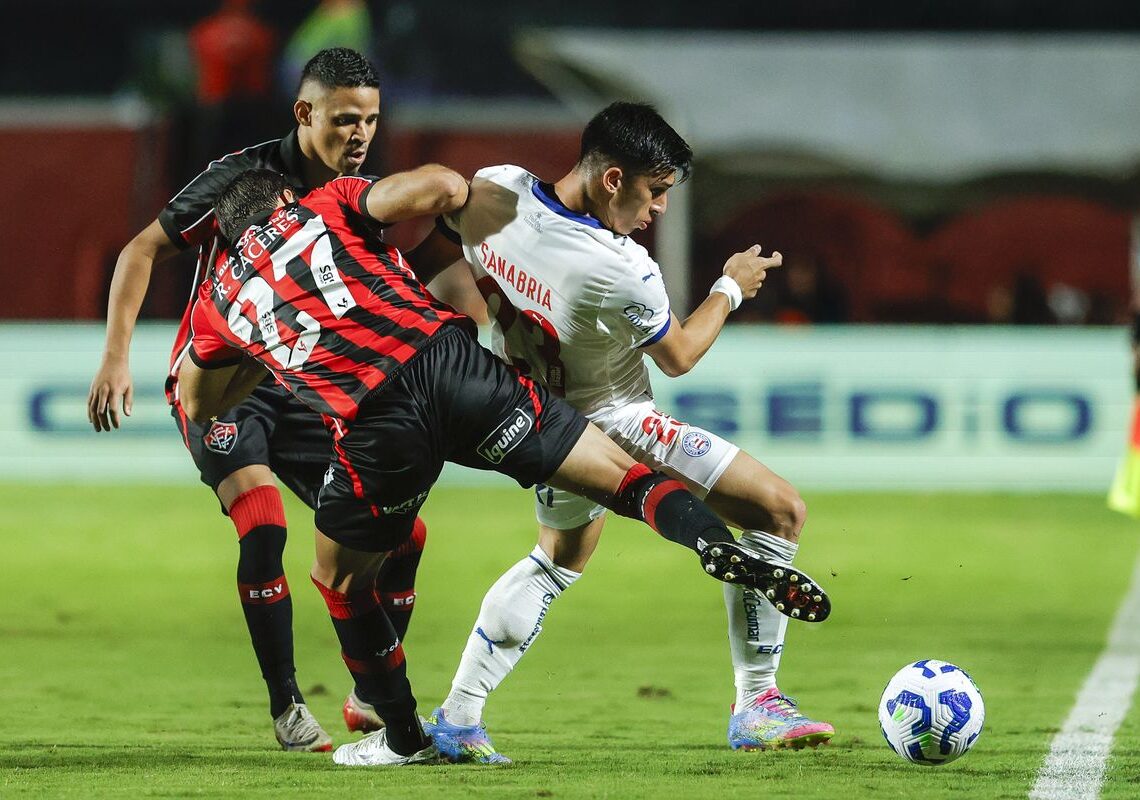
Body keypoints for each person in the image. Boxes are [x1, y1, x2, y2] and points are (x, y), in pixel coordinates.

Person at [176, 165, 832, 767]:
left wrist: (267, 347)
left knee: (342, 580)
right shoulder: (328, 202)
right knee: (622, 477)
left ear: (233, 237)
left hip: (379, 422)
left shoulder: (221, 295)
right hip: (456, 368)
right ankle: (709, 538)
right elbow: (440, 188)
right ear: (285, 201)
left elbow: (201, 401)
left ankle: (405, 736)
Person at [417, 101, 835, 762]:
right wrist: (731, 284)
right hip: (618, 419)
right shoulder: (620, 266)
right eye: (655, 191)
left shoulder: (495, 187)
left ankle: (458, 716)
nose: (659, 209)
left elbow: (440, 241)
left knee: (554, 562)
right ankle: (757, 702)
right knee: (780, 510)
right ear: (614, 179)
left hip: (543, 423)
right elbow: (679, 355)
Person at [85, 48, 418, 752]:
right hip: (218, 385)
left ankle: (368, 694)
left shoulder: (362, 198)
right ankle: (288, 706)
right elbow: (140, 251)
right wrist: (117, 356)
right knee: (263, 522)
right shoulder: (241, 178)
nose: (361, 135)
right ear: (305, 113)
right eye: (345, 119)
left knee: (404, 536)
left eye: (371, 120)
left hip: (298, 386)